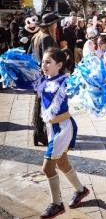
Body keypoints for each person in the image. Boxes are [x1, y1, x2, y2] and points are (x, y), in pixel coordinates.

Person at [36, 48, 90, 218]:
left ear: (59, 65)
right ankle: (81, 190)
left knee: (47, 168)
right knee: (62, 164)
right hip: (52, 129)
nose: (44, 65)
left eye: (48, 62)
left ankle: (57, 204)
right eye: (43, 61)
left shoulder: (65, 81)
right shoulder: (44, 81)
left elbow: (80, 93)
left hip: (63, 129)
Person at [28, 12, 60, 146]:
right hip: (46, 76)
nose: (57, 25)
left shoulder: (36, 36)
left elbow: (29, 54)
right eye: (55, 23)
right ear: (51, 25)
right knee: (46, 106)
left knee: (39, 104)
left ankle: (37, 133)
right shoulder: (47, 38)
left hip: (37, 75)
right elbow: (49, 59)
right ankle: (42, 134)